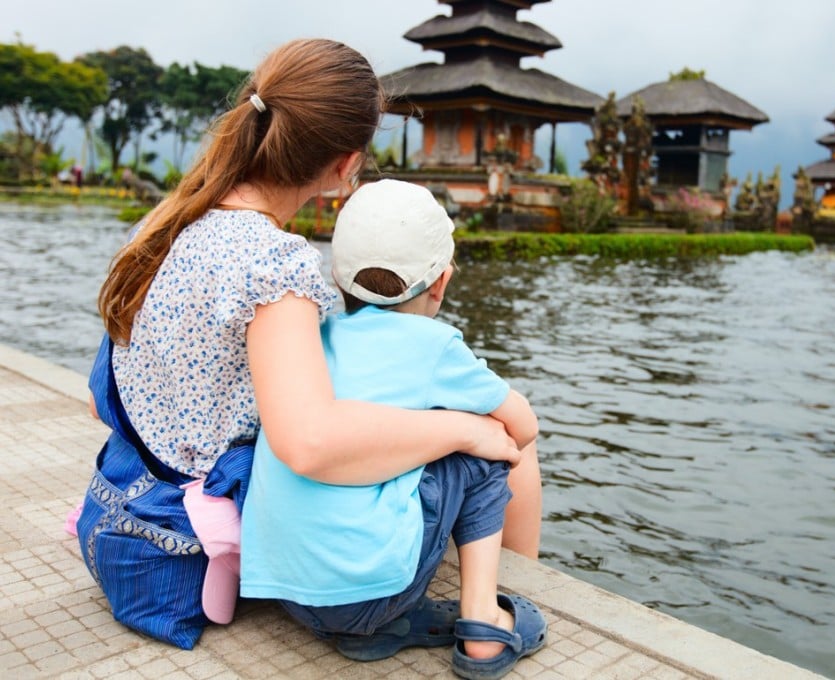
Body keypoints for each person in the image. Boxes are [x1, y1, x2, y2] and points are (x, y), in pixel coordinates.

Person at [73, 38, 541, 651]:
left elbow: (98, 399)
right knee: (503, 442)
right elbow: (309, 443)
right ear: (347, 164)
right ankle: (503, 598)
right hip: (199, 534)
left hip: (124, 501)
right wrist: (462, 429)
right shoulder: (275, 262)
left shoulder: (169, 222)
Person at [241, 179, 547, 678]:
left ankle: (376, 628)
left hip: (289, 594)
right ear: (442, 283)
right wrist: (471, 421)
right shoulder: (437, 346)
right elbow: (525, 426)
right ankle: (485, 621)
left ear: (337, 280)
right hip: (371, 591)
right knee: (492, 443)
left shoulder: (312, 337)